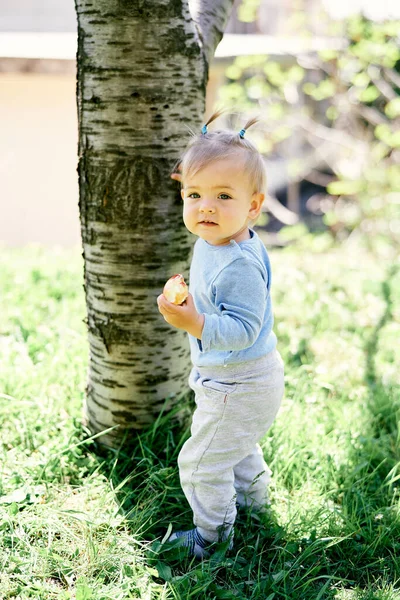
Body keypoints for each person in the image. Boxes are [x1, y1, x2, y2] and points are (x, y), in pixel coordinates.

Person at [157, 110, 285, 559]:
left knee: (201, 463)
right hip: (233, 380)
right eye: (194, 194)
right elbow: (220, 301)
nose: (205, 207)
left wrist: (194, 322)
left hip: (241, 382)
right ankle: (254, 509)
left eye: (223, 195)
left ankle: (212, 539)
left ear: (253, 205)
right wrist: (194, 301)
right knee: (237, 448)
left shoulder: (239, 262)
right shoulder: (214, 241)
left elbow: (244, 328)